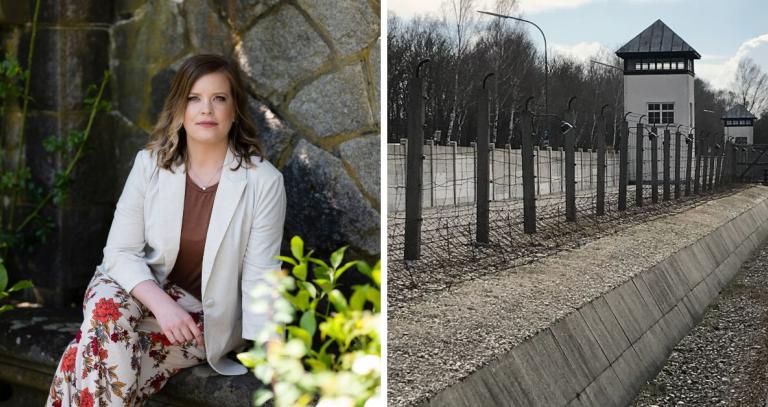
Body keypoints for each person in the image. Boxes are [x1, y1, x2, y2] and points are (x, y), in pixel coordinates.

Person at [45, 54, 286, 406]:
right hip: (133, 289)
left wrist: (280, 371)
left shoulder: (263, 182)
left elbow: (261, 279)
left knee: (84, 359)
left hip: (197, 321)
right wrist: (163, 306)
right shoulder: (150, 165)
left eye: (219, 98)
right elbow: (120, 252)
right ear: (179, 108)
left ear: (234, 111)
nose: (207, 109)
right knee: (108, 315)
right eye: (194, 98)